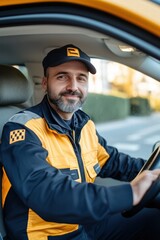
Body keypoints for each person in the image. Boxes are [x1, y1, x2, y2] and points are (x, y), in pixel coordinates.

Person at [0, 44, 160, 240]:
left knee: (155, 218)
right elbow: (46, 193)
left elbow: (115, 162)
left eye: (81, 78)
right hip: (46, 236)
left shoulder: (84, 125)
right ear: (44, 83)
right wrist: (130, 193)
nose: (73, 86)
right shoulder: (22, 129)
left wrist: (153, 175)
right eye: (62, 77)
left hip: (83, 225)